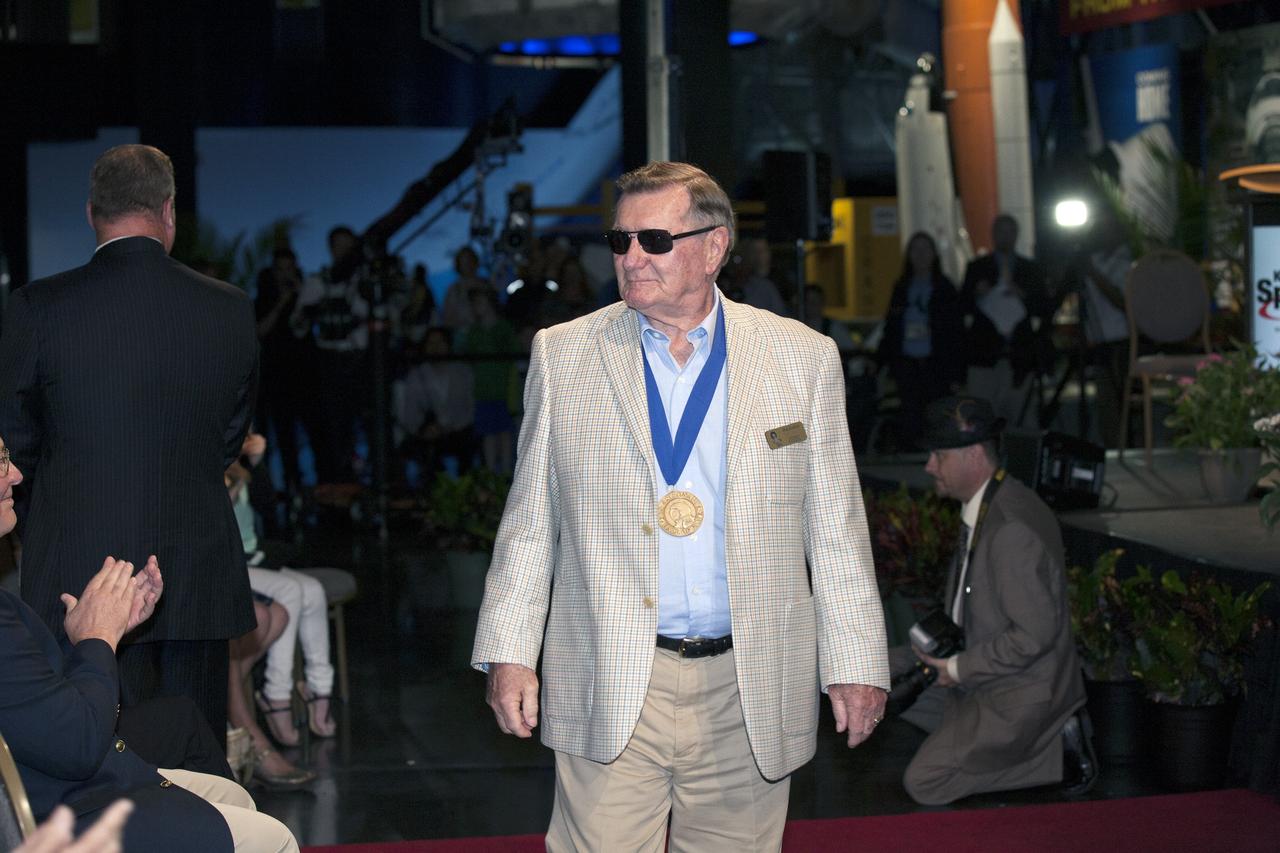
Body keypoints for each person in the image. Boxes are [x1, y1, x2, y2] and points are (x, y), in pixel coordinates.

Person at [472, 161, 888, 852]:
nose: (630, 258)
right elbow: (528, 525)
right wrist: (509, 651)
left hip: (748, 680)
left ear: (715, 246)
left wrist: (857, 659)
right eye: (620, 240)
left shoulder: (801, 358)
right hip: (609, 667)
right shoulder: (564, 355)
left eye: (654, 241)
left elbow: (837, 529)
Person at [0, 144, 258, 745]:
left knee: (93, 762)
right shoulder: (229, 308)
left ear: (93, 213)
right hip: (194, 568)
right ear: (168, 211)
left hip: (78, 575)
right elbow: (229, 436)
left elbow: (15, 440)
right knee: (195, 756)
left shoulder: (39, 307)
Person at [0, 437, 297, 852]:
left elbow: (33, 705)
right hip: (60, 814)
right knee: (274, 837)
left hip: (62, 784)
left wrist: (95, 635)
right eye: (0, 462)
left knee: (237, 797)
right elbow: (78, 745)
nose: (16, 474)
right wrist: (97, 635)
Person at [890, 395, 1095, 805]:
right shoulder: (996, 503)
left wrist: (959, 668)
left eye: (938, 455)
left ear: (973, 455)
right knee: (869, 674)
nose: (930, 466)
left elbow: (1032, 638)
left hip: (1019, 689)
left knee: (925, 782)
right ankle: (969, 730)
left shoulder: (1010, 529)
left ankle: (1057, 751)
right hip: (985, 666)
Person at [292, 225, 370, 484]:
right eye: (340, 246)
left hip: (361, 362)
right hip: (329, 363)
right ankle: (335, 484)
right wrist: (312, 311)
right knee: (333, 427)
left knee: (367, 423)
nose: (345, 252)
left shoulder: (365, 282)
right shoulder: (317, 282)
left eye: (350, 247)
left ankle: (364, 480)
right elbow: (298, 325)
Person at [959, 214, 1054, 426]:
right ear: (993, 235)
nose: (1005, 236)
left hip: (1019, 358)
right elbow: (961, 307)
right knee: (981, 419)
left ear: (1016, 235)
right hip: (984, 356)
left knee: (1022, 418)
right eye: (1000, 231)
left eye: (1009, 231)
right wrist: (978, 295)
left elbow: (1045, 308)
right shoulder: (977, 268)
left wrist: (1023, 295)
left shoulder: (1031, 269)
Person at [878, 232, 966, 450]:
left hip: (936, 364)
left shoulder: (945, 287)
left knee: (937, 416)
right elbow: (891, 328)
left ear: (934, 254)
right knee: (910, 418)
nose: (920, 255)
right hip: (908, 364)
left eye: (925, 249)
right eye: (915, 249)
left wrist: (956, 374)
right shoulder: (901, 287)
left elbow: (956, 334)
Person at [253, 247, 314, 511]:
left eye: (290, 267)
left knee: (298, 437)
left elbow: (309, 329)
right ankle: (267, 495)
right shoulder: (263, 300)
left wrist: (300, 297)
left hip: (301, 376)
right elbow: (259, 331)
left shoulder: (306, 296)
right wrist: (281, 303)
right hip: (270, 377)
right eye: (281, 268)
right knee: (268, 437)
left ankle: (298, 488)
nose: (286, 274)